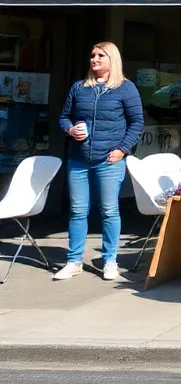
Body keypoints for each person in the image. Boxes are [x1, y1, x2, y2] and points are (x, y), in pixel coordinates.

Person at [54, 42, 144, 282]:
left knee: (109, 211)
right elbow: (63, 117)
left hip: (109, 160)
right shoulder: (79, 87)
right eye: (92, 55)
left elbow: (137, 122)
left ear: (111, 59)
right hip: (79, 159)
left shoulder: (126, 88)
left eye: (100, 55)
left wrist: (122, 150)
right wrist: (70, 130)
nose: (94, 59)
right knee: (77, 211)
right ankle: (73, 262)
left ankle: (110, 261)